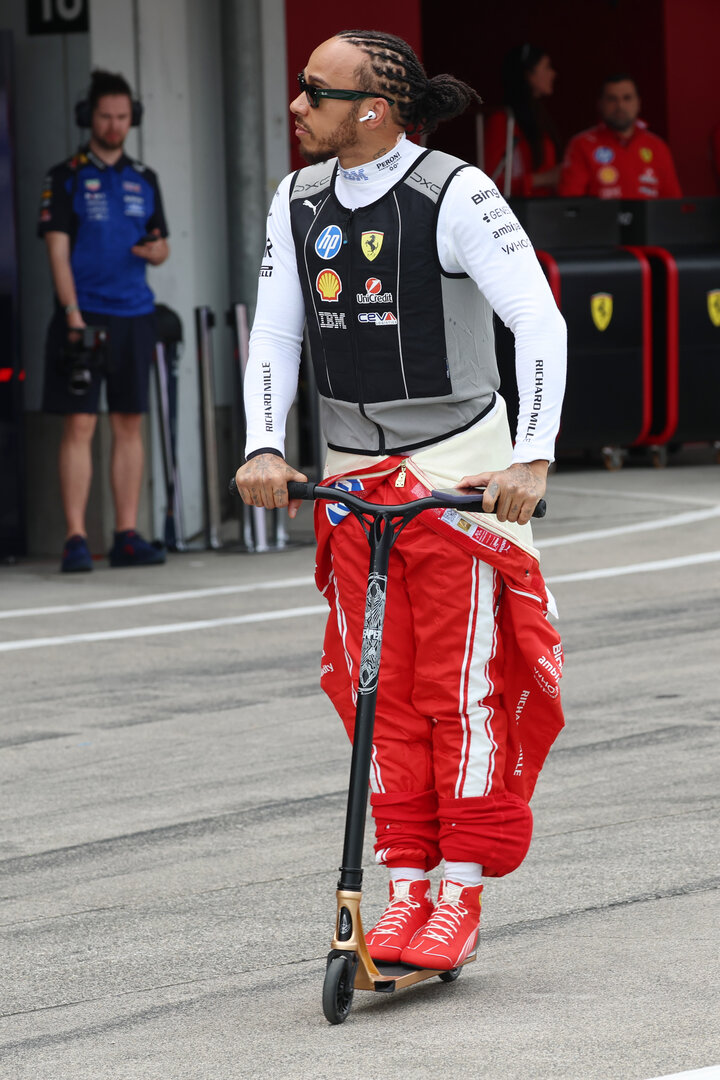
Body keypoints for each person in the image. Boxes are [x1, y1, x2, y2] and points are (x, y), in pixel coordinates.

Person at [234, 30, 567, 971]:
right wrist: (264, 443)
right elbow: (277, 337)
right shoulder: (296, 201)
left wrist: (530, 458)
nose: (296, 106)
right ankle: (404, 883)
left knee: (455, 689)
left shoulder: (455, 193)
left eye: (315, 92)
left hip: (456, 477)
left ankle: (457, 890)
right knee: (372, 691)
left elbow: (537, 324)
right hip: (350, 479)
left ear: (372, 109)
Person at [38, 69, 170, 572]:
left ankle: (126, 534)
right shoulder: (65, 176)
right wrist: (71, 314)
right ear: (87, 117)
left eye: (122, 116)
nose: (115, 125)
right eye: (105, 116)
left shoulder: (145, 177)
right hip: (83, 315)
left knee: (129, 423)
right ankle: (75, 536)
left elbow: (161, 244)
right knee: (80, 424)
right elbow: (57, 251)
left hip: (135, 314)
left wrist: (157, 252)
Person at [558, 74, 682, 199]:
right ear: (600, 104)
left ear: (638, 103)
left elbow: (672, 204)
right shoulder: (582, 144)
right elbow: (570, 202)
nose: (620, 106)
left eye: (627, 98)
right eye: (612, 99)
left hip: (648, 219)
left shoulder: (657, 146)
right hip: (600, 218)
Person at [483, 43, 562, 198]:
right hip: (518, 212)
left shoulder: (540, 116)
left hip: (546, 210)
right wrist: (543, 179)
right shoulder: (503, 120)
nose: (553, 73)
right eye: (546, 67)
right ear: (528, 74)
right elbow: (491, 181)